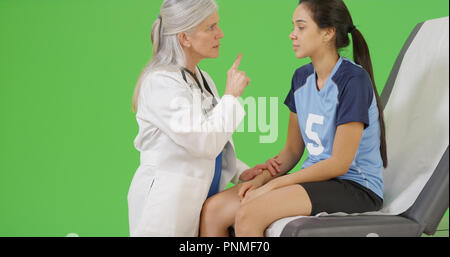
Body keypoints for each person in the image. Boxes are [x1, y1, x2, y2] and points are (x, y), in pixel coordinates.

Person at [199, 0, 387, 237]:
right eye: (293, 27)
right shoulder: (301, 78)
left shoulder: (353, 81)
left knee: (250, 213)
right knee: (213, 210)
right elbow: (291, 151)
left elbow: (339, 163)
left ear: (328, 33)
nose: (292, 35)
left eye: (301, 27)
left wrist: (275, 185)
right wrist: (262, 179)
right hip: (317, 182)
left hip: (354, 186)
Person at [127, 0, 267, 237]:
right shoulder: (160, 83)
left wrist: (240, 172)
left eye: (217, 26)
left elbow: (212, 143)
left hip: (196, 202)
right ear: (185, 38)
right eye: (210, 27)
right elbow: (203, 142)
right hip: (164, 209)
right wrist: (231, 97)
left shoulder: (202, 79)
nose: (220, 34)